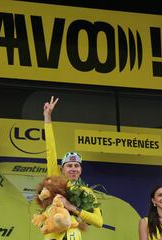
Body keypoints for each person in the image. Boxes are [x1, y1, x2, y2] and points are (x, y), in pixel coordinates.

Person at [42, 96, 103, 240]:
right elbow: (50, 150)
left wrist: (71, 207)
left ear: (81, 170)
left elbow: (99, 222)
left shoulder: (87, 192)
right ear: (62, 169)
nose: (73, 168)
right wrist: (47, 117)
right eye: (69, 166)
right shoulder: (55, 180)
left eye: (77, 166)